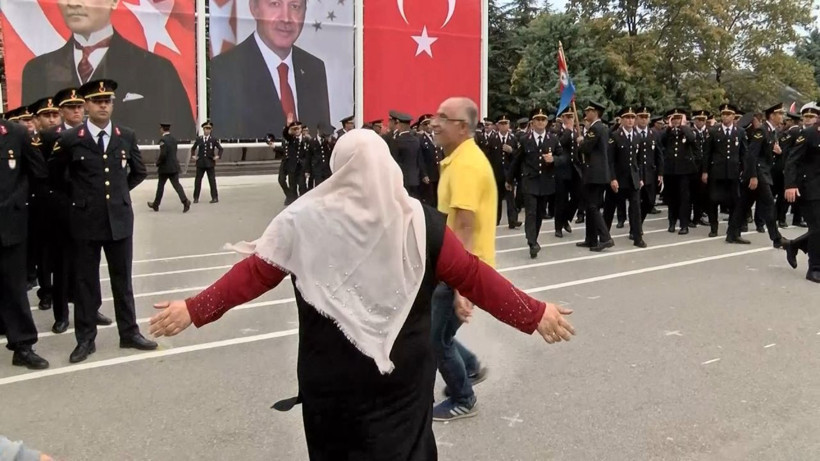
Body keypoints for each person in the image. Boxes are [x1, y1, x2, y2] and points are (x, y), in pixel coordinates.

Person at [148, 129, 575, 459]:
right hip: (403, 382)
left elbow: (255, 273)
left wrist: (193, 309)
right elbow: (473, 275)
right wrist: (533, 313)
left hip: (331, 386)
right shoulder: (419, 222)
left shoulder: (303, 220)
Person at [49, 79, 157, 363]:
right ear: (86, 105)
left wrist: (119, 196)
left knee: (123, 280)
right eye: (97, 101)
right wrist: (80, 201)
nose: (103, 105)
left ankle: (129, 333)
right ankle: (85, 339)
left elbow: (138, 171)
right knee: (85, 282)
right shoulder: (72, 139)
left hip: (119, 220)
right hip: (85, 222)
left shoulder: (126, 135)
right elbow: (56, 178)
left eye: (108, 100)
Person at [20, 0, 194, 140]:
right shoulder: (37, 70)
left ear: (114, 1)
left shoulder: (156, 68)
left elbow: (181, 132)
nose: (73, 3)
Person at [430, 97, 499, 421]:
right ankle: (469, 367)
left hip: (463, 269)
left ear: (461, 127)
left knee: (435, 339)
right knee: (441, 333)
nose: (434, 122)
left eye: (443, 117)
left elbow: (466, 227)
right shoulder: (458, 159)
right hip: (458, 266)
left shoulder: (467, 165)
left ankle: (463, 397)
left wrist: (460, 286)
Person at [210, 0, 331, 139]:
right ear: (254, 8)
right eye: (275, 4)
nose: (286, 18)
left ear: (305, 12)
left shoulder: (314, 68)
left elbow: (323, 133)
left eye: (295, 6)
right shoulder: (225, 70)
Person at [0, 111, 50, 369]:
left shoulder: (17, 134)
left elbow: (38, 174)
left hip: (10, 224)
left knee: (14, 288)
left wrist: (20, 203)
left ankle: (23, 346)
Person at [39, 87, 89, 334]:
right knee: (61, 266)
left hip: (87, 210)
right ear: (62, 111)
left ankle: (89, 309)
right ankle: (61, 315)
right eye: (71, 107)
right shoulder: (49, 137)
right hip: (60, 211)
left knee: (86, 265)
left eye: (80, 106)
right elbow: (44, 175)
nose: (77, 111)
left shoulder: (91, 134)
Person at [507, 108, 564, 258]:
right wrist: (509, 180)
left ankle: (534, 238)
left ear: (546, 122)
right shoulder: (525, 139)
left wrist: (554, 160)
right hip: (529, 181)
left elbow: (563, 157)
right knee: (531, 212)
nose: (540, 122)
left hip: (545, 182)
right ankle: (532, 242)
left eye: (543, 119)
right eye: (537, 119)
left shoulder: (553, 139)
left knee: (539, 213)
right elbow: (517, 160)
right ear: (532, 122)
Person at [702, 104, 750, 243]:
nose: (725, 116)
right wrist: (705, 171)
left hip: (733, 172)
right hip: (717, 172)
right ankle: (714, 227)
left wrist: (745, 171)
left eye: (728, 114)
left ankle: (733, 229)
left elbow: (744, 153)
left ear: (733, 116)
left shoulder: (740, 132)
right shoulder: (714, 131)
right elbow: (707, 153)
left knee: (735, 201)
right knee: (713, 200)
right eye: (723, 114)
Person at [783, 103, 820, 281]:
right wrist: (790, 185)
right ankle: (814, 269)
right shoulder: (809, 134)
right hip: (809, 188)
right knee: (817, 227)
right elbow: (792, 161)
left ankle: (794, 245)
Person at [746, 103, 788, 248]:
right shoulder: (761, 130)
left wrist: (777, 151)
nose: (782, 117)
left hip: (765, 172)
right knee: (769, 204)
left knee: (744, 203)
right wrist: (753, 176)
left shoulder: (772, 131)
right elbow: (752, 155)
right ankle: (776, 238)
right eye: (779, 114)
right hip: (759, 172)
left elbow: (767, 152)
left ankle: (732, 232)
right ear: (772, 115)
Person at [604, 106, 646, 248]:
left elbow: (639, 160)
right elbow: (610, 160)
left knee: (635, 209)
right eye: (627, 117)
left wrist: (640, 177)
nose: (630, 120)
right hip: (618, 179)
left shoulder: (638, 136)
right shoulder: (615, 136)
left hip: (632, 178)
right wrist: (612, 178)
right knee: (609, 209)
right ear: (621, 120)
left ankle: (637, 237)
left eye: (632, 117)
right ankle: (604, 236)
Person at [576, 102, 614, 252]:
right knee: (592, 206)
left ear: (596, 112)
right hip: (599, 173)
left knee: (592, 206)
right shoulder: (603, 127)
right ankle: (591, 239)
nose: (586, 113)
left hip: (594, 173)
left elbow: (586, 148)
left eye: (589, 111)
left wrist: (581, 141)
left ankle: (605, 237)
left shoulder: (596, 128)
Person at [660, 108, 698, 235]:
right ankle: (672, 222)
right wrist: (669, 127)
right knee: (671, 198)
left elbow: (692, 139)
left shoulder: (687, 131)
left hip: (684, 170)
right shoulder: (668, 132)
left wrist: (683, 126)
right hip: (671, 170)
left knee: (684, 199)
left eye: (678, 118)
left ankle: (684, 224)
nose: (676, 121)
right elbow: (661, 140)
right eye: (674, 118)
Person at [148, 123, 191, 213]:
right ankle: (185, 201)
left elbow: (163, 154)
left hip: (165, 168)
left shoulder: (163, 140)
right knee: (177, 185)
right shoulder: (173, 139)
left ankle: (156, 204)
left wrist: (158, 162)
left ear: (162, 129)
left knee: (160, 186)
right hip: (174, 166)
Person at [190, 121, 223, 204]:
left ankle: (215, 197)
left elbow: (220, 148)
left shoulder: (213, 140)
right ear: (203, 129)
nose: (207, 131)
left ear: (211, 130)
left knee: (212, 181)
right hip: (200, 163)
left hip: (210, 163)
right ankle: (196, 197)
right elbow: (193, 148)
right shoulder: (199, 139)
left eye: (209, 129)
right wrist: (193, 156)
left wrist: (218, 156)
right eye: (206, 129)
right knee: (198, 181)